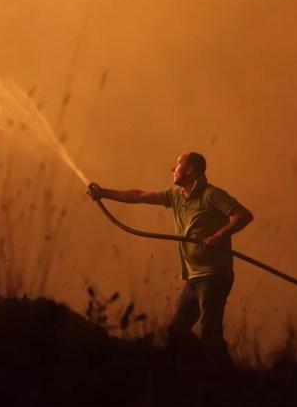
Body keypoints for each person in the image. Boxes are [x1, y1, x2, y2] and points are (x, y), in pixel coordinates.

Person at [87, 151, 253, 366]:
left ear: (190, 170)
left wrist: (219, 235)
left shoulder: (212, 195)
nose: (173, 169)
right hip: (192, 279)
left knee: (209, 331)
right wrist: (104, 193)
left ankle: (228, 381)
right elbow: (139, 195)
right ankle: (200, 368)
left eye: (178, 165)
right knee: (175, 332)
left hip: (214, 275)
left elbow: (244, 215)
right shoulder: (175, 196)